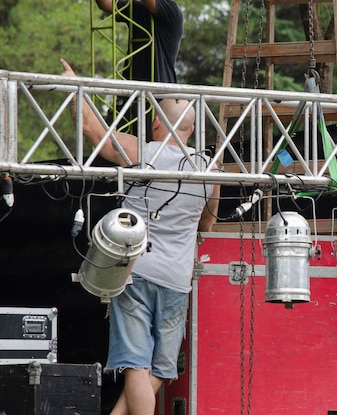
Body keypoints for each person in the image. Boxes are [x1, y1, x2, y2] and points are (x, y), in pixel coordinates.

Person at [61, 58, 220, 415]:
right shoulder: (211, 171)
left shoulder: (143, 152)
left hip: (134, 271)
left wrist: (75, 86)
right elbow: (207, 227)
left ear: (157, 123)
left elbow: (90, 128)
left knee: (135, 363)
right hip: (177, 280)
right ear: (192, 131)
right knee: (160, 369)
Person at [94, 0, 184, 139]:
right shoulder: (138, 8)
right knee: (111, 146)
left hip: (157, 101)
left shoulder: (172, 11)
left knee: (150, 154)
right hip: (130, 97)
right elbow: (106, 4)